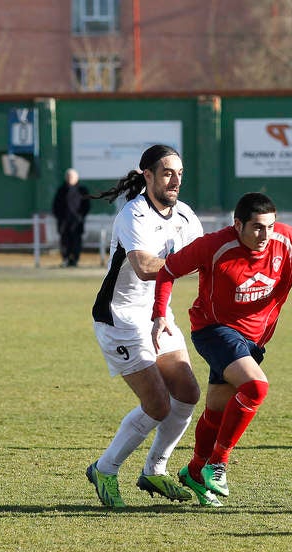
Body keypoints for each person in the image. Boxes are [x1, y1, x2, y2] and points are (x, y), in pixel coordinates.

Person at [151, 192, 292, 503]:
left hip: (254, 341)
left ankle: (195, 471)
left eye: (270, 226)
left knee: (217, 412)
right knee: (256, 387)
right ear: (238, 224)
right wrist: (160, 313)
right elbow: (168, 271)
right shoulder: (213, 246)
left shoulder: (287, 240)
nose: (265, 235)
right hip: (214, 330)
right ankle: (217, 464)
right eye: (257, 227)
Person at [86, 144, 220, 508]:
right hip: (121, 319)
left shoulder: (186, 216)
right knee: (158, 404)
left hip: (158, 314)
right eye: (167, 173)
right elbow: (146, 267)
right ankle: (105, 469)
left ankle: (154, 470)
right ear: (147, 175)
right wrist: (189, 261)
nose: (175, 181)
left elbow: (205, 258)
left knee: (187, 392)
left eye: (180, 174)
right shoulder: (134, 215)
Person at [52, 168, 90, 267]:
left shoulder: (82, 190)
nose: (70, 178)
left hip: (77, 223)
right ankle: (65, 259)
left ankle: (75, 260)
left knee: (76, 242)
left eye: (72, 177)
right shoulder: (61, 190)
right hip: (64, 222)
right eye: (68, 177)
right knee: (64, 242)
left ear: (76, 178)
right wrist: (60, 217)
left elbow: (86, 206)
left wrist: (80, 217)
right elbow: (55, 206)